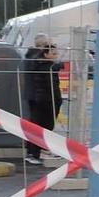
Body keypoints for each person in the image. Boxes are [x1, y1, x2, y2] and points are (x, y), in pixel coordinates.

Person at [22, 36, 60, 166]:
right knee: (41, 126)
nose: (56, 55)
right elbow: (50, 85)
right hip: (42, 99)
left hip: (35, 96)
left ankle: (36, 150)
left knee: (37, 125)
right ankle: (35, 151)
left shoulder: (31, 59)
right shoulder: (43, 65)